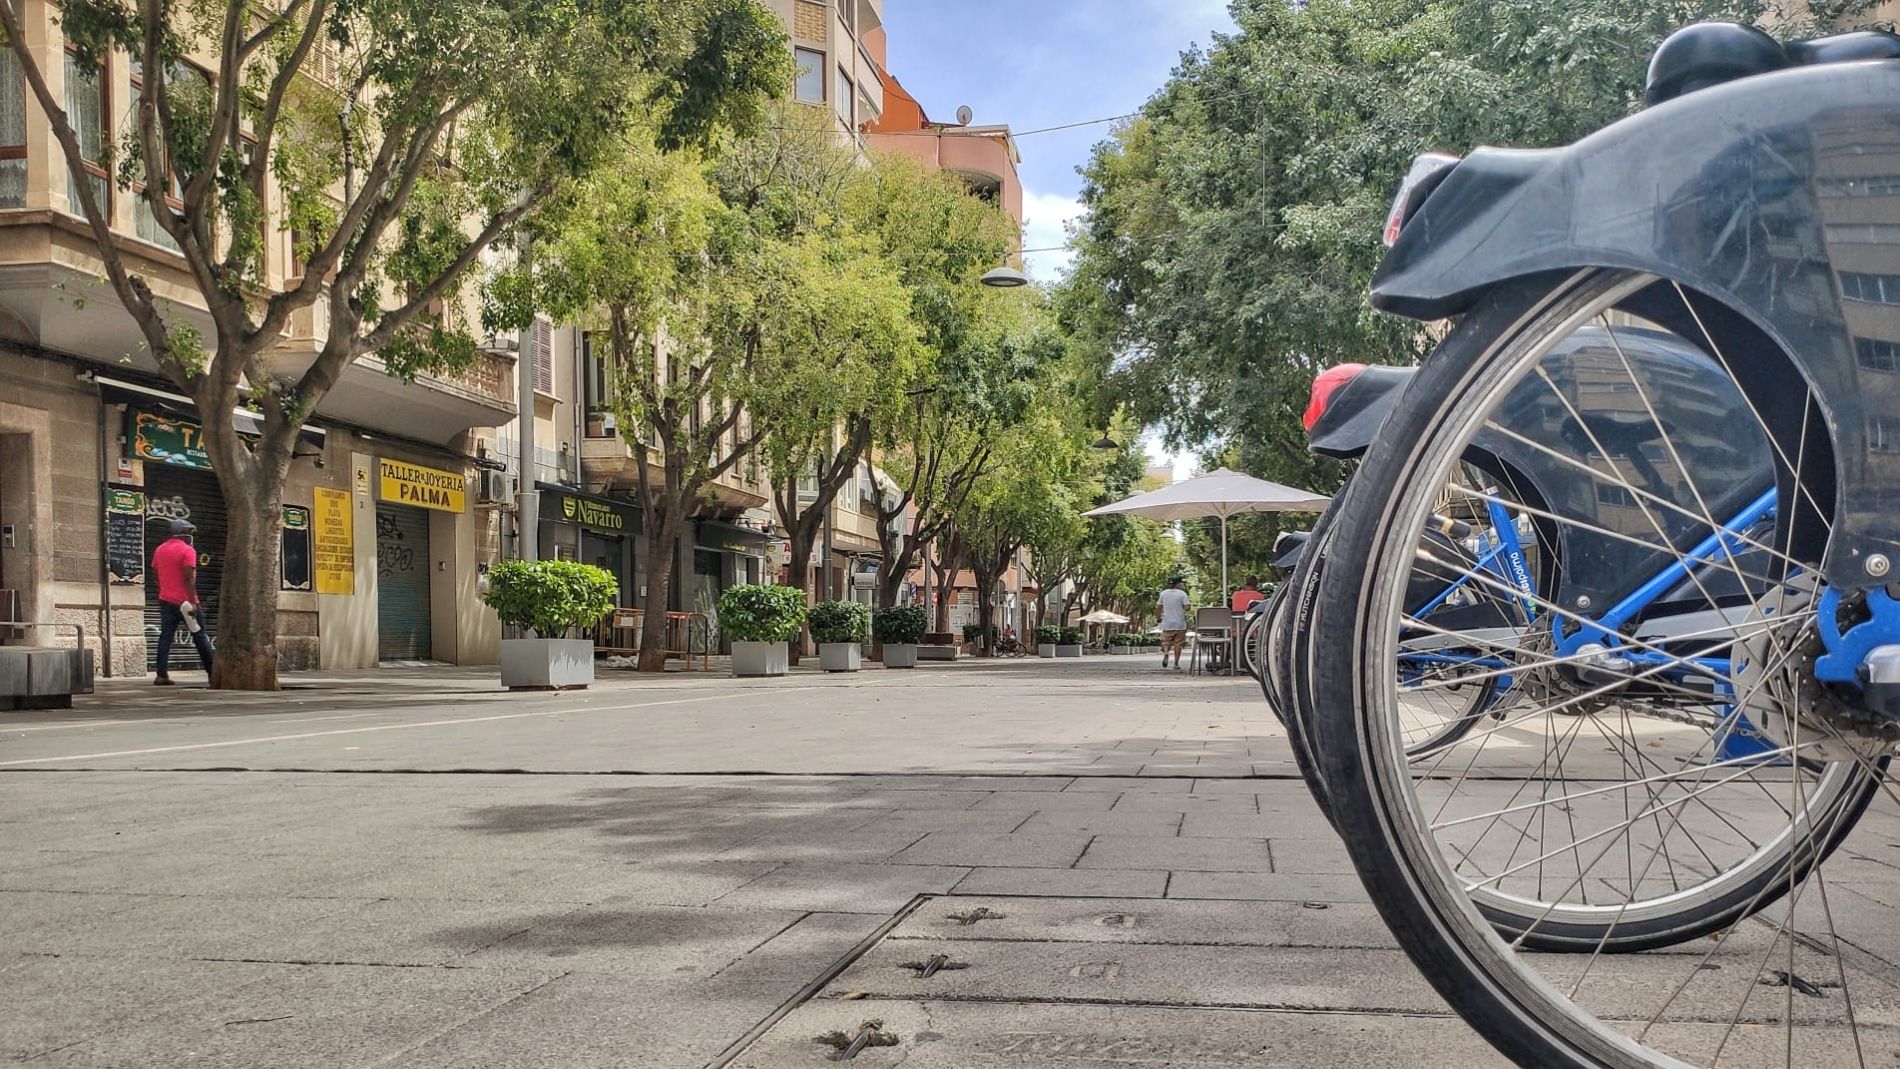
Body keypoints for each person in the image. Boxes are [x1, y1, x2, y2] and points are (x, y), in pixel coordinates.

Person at [151, 518, 213, 684]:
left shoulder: (159, 550)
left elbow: (155, 575)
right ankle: (212, 673)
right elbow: (189, 579)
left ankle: (161, 674)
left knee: (165, 636)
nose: (191, 536)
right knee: (200, 636)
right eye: (190, 533)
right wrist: (193, 601)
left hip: (166, 600)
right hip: (186, 602)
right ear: (184, 534)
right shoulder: (187, 551)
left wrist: (164, 590)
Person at [1155, 575, 1192, 670]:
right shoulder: (1182, 594)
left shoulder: (1163, 593)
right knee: (1178, 643)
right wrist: (1183, 610)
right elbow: (1187, 606)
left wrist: (1158, 618)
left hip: (1167, 622)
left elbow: (1158, 607)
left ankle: (1166, 652)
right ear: (1179, 584)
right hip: (1179, 623)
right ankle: (1176, 663)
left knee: (1166, 641)